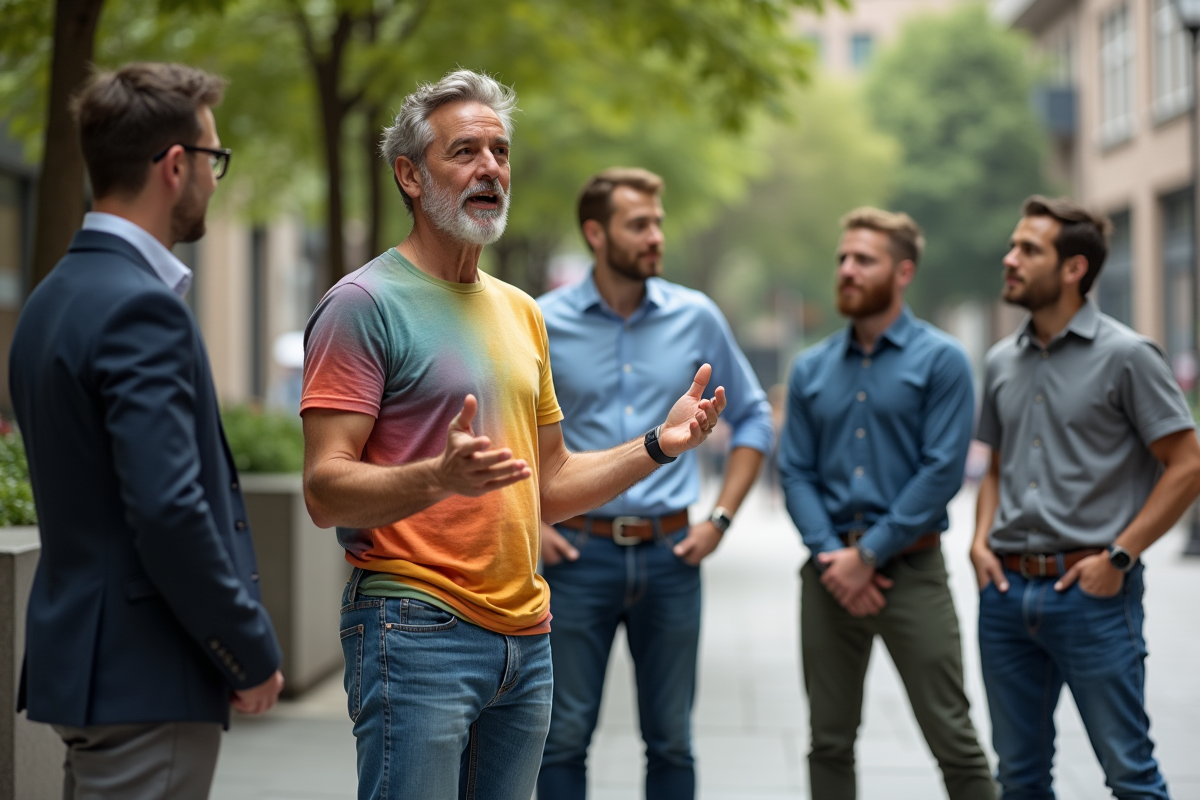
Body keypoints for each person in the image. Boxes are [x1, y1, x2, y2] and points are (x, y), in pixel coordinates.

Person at [300, 71, 727, 800]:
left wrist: (659, 443)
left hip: (527, 637)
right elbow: (323, 490)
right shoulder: (362, 305)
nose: (490, 168)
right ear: (409, 174)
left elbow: (550, 487)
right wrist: (436, 476)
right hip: (413, 625)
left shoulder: (523, 312)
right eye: (464, 151)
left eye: (499, 151)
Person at [8, 63, 284, 800]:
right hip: (148, 672)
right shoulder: (142, 309)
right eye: (214, 159)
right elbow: (167, 508)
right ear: (175, 165)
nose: (215, 180)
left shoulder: (49, 299)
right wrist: (247, 650)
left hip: (87, 665)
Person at [535, 168, 775, 800]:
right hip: (575, 557)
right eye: (638, 224)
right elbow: (504, 437)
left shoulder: (697, 316)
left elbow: (754, 416)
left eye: (658, 222)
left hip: (671, 557)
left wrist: (719, 520)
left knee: (670, 740)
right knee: (561, 738)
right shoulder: (540, 320)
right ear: (595, 232)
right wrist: (530, 523)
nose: (655, 236)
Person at [972, 195, 1200, 800]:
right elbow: (994, 466)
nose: (1010, 258)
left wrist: (1119, 557)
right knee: (1018, 779)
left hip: (1093, 595)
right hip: (1004, 596)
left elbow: (1187, 465)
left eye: (1028, 249)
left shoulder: (1128, 356)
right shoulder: (999, 362)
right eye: (1013, 245)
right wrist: (977, 542)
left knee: (1129, 776)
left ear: (1074, 268)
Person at [779, 208, 994, 800]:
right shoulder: (812, 367)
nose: (846, 270)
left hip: (912, 572)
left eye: (863, 260)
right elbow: (794, 470)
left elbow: (941, 471)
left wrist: (868, 555)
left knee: (954, 739)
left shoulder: (943, 360)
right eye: (843, 258)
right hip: (827, 578)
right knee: (828, 742)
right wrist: (832, 556)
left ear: (903, 272)